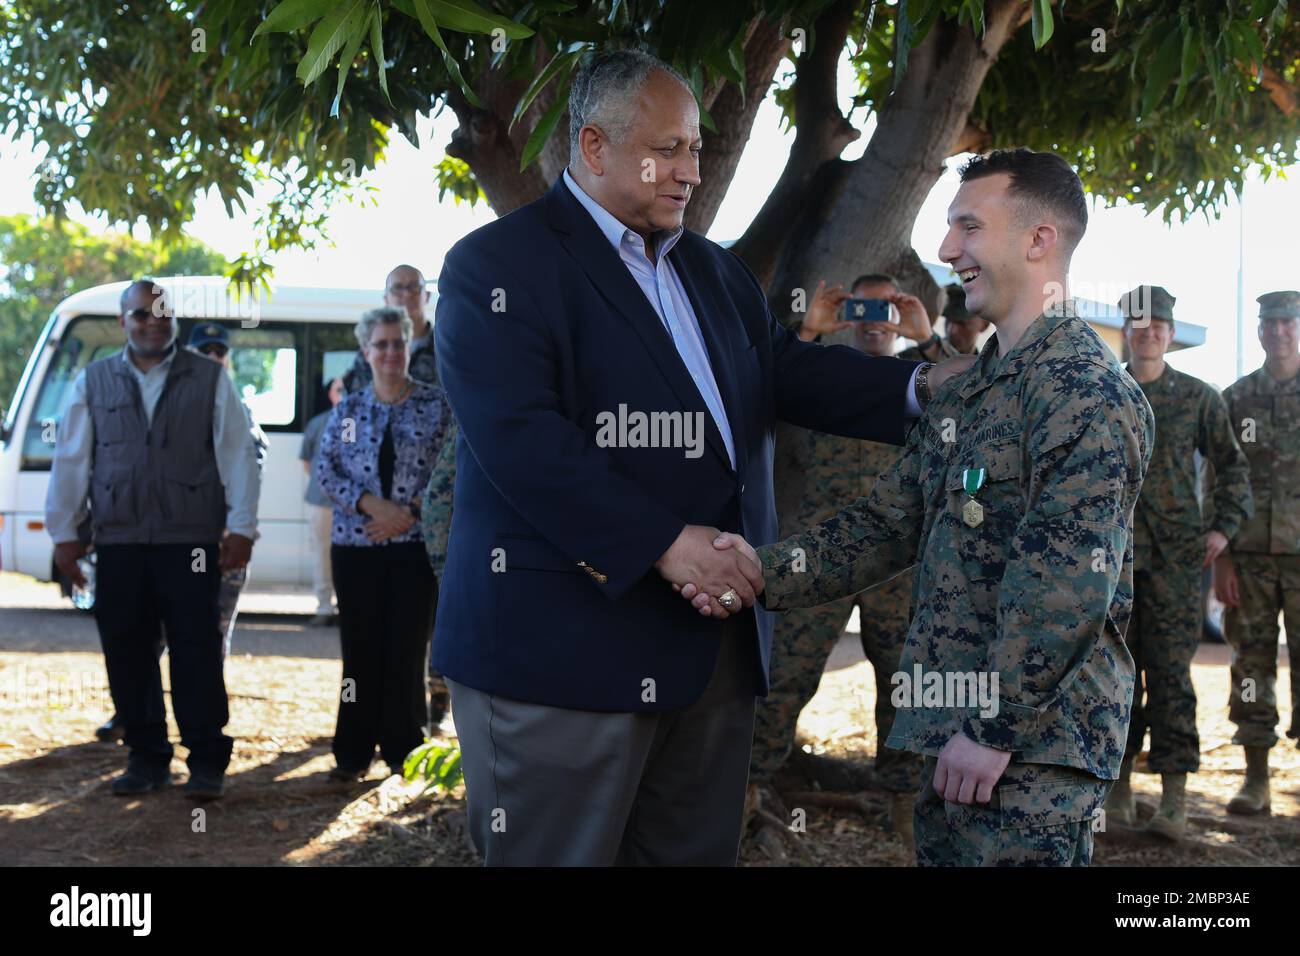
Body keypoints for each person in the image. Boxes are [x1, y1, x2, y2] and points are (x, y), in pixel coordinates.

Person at [432, 48, 971, 866]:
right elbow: (523, 440)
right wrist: (664, 542)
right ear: (594, 148)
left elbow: (780, 373)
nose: (691, 169)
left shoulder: (715, 274)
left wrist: (922, 389)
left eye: (696, 147)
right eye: (669, 148)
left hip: (712, 657)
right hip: (562, 660)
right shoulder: (496, 268)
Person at [692, 148, 1155, 866]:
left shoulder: (1083, 390)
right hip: (953, 735)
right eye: (949, 228)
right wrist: (754, 571)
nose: (946, 250)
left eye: (968, 227)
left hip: (1027, 753)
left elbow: (1066, 588)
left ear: (1039, 241)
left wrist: (994, 729)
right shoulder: (973, 389)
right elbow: (887, 522)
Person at [46, 280, 261, 800]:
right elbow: (72, 460)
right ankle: (146, 758)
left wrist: (241, 527)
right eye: (140, 313)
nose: (152, 321)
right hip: (118, 540)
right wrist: (64, 535)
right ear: (123, 321)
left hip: (189, 541)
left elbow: (237, 454)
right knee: (127, 650)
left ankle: (207, 760)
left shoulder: (208, 377)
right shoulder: (93, 381)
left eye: (162, 313)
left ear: (174, 320)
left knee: (196, 650)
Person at [757, 273, 934, 848]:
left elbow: (975, 392)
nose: (875, 319)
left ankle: (905, 804)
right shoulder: (821, 372)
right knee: (784, 673)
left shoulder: (924, 377)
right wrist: (809, 331)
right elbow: (759, 383)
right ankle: (748, 793)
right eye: (863, 308)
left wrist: (926, 340)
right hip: (820, 554)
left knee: (907, 683)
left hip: (900, 562)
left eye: (888, 309)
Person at [1100, 286, 1252, 841]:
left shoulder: (1197, 397)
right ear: (1127, 329)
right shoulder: (1101, 392)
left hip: (1173, 562)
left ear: (1169, 331)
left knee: (1169, 677)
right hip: (1109, 562)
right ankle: (1116, 791)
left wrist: (1221, 528)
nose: (1148, 333)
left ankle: (1173, 800)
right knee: (1112, 679)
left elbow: (1232, 468)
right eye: (1137, 324)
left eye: (1158, 324)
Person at [316, 307, 450, 781]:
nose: (391, 352)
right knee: (360, 651)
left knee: (407, 649)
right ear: (365, 351)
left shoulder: (437, 406)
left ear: (410, 346)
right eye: (381, 344)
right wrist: (372, 505)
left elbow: (450, 469)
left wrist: (407, 513)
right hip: (356, 547)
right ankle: (351, 753)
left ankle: (405, 751)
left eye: (399, 342)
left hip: (414, 547)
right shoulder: (349, 410)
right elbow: (326, 469)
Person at [1215, 289, 1300, 815]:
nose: (1279, 332)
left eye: (1288, 322)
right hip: (1247, 557)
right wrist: (1221, 554)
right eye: (1271, 324)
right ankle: (1256, 779)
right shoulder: (1235, 398)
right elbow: (1221, 478)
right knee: (1250, 667)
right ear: (1260, 331)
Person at [188, 322, 270, 654]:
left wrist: (236, 525)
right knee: (163, 632)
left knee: (216, 633)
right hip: (180, 538)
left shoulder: (241, 409)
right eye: (204, 351)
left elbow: (253, 469)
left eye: (219, 351)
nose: (213, 357)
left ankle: (207, 703)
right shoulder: (173, 404)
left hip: (226, 540)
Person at [342, 265, 440, 391]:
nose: (406, 294)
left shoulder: (444, 347)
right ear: (386, 299)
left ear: (427, 296)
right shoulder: (371, 351)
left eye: (413, 287)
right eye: (397, 288)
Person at [300, 376, 344, 626]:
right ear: (330, 394)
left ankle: (346, 606)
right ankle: (324, 607)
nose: (343, 393)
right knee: (321, 554)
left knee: (350, 556)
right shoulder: (318, 423)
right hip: (320, 501)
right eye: (339, 389)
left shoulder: (357, 420)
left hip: (354, 506)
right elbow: (307, 462)